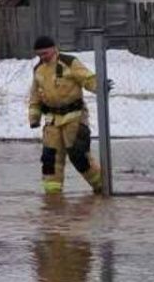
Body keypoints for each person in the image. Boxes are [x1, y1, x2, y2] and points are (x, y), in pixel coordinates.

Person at [27, 35, 108, 194]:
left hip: (74, 116)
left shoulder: (69, 62)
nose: (42, 57)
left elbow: (87, 78)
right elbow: (35, 95)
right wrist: (34, 117)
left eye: (45, 53)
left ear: (54, 49)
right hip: (52, 119)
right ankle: (53, 198)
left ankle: (102, 188)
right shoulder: (38, 69)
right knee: (50, 160)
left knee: (79, 155)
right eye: (39, 54)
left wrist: (100, 86)